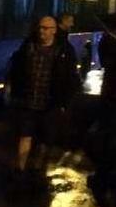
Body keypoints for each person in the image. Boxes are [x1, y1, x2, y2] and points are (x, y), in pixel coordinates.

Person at [7, 16, 82, 186]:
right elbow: (16, 70)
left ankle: (37, 169)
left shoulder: (63, 51)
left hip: (50, 104)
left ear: (54, 30)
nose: (42, 31)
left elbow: (71, 79)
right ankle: (21, 169)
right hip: (28, 101)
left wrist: (65, 103)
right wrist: (15, 93)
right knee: (25, 135)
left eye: (46, 28)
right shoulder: (29, 47)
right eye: (40, 27)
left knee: (44, 139)